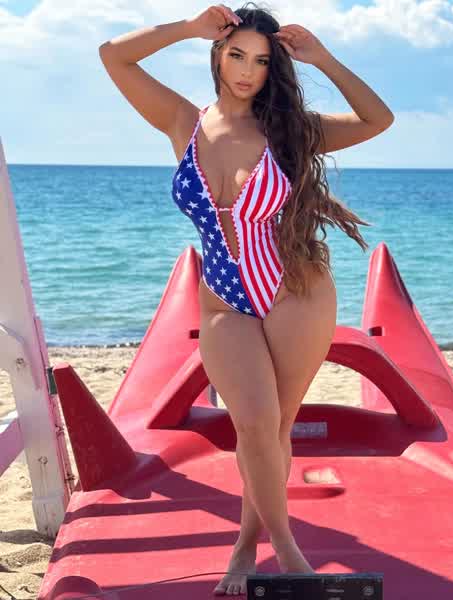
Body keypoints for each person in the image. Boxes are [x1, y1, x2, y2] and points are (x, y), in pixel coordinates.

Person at [99, 2, 394, 595]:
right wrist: (188, 27)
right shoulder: (182, 121)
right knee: (254, 424)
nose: (247, 71)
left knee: (275, 427)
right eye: (237, 55)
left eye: (261, 61)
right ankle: (288, 553)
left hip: (296, 292)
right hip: (224, 300)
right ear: (218, 54)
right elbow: (113, 56)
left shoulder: (292, 130)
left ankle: (247, 546)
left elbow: (377, 118)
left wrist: (323, 58)